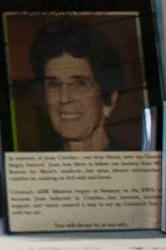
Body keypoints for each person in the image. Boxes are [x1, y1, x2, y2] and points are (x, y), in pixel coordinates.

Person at [27, 19, 127, 152]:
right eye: (54, 84)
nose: (64, 98)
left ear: (109, 101)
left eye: (80, 84)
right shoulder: (31, 167)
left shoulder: (135, 167)